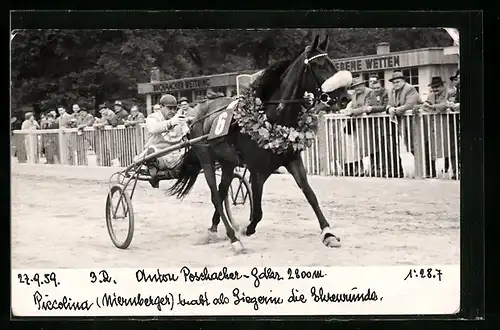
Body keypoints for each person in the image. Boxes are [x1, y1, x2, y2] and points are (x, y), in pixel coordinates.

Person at [135, 94, 189, 188]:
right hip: (157, 152)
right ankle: (153, 172)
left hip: (175, 154)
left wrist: (186, 127)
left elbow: (186, 133)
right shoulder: (152, 118)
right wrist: (171, 123)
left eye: (174, 108)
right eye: (169, 108)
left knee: (188, 152)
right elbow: (153, 128)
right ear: (161, 107)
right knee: (151, 153)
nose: (172, 111)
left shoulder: (178, 118)